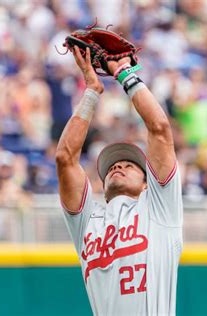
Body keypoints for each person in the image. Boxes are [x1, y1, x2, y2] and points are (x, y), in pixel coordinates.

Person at [55, 46, 183, 315]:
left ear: (148, 183)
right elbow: (65, 159)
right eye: (112, 165)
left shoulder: (159, 208)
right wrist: (91, 90)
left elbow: (159, 128)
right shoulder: (88, 223)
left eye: (130, 164)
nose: (119, 165)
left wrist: (125, 74)